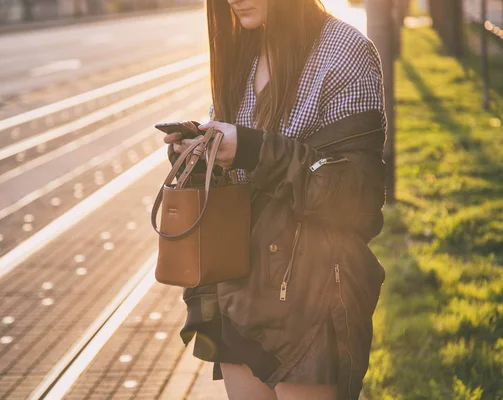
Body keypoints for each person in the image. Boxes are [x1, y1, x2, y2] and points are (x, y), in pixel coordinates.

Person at [165, 0, 387, 399]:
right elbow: (241, 177)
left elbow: (357, 195)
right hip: (239, 291)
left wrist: (251, 148)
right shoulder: (245, 50)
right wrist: (202, 157)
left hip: (309, 296)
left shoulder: (344, 52)